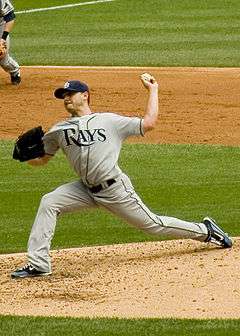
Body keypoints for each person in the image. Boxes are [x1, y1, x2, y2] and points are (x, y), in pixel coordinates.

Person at [11, 74, 232, 279]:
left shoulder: (109, 121)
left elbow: (148, 123)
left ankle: (206, 231)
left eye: (70, 94)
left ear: (85, 95)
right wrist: (25, 157)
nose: (66, 98)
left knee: (153, 225)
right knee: (49, 202)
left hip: (114, 189)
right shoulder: (58, 130)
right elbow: (42, 159)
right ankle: (39, 264)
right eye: (63, 96)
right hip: (85, 189)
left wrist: (153, 90)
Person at [0, 0, 21, 85]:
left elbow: (10, 17)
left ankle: (15, 71)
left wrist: (3, 39)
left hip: (1, 26)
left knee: (2, 59)